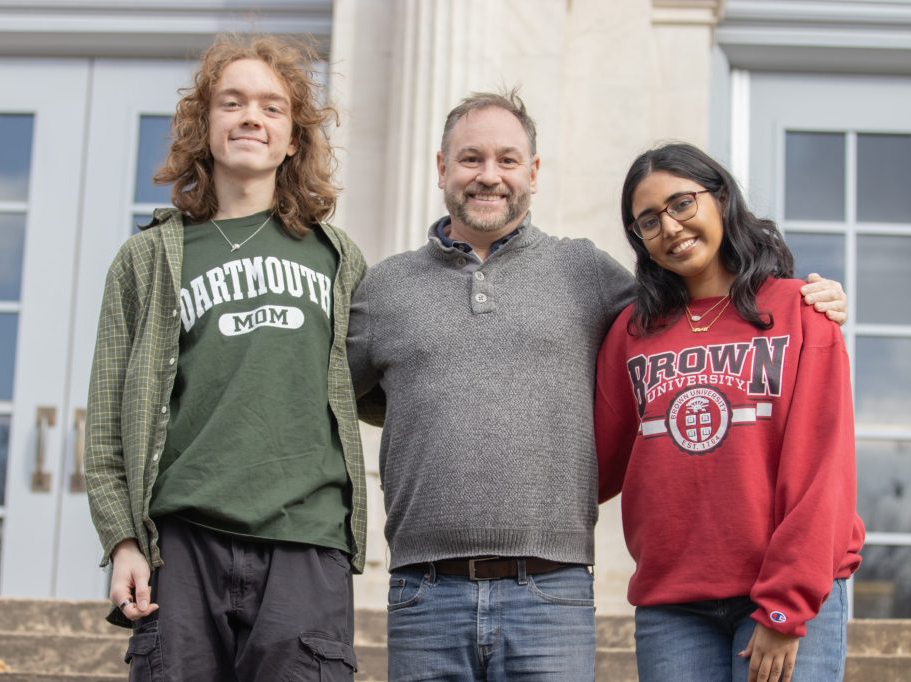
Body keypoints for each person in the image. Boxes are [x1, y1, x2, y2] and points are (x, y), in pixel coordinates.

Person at [346, 92, 848, 681]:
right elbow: (341, 393)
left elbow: (818, 458)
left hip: (567, 593)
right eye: (470, 159)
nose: (489, 175)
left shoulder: (591, 275)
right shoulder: (387, 290)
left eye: (508, 160)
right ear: (441, 168)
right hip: (446, 590)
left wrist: (816, 297)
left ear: (533, 173)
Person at [84, 35, 367, 681]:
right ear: (202, 126)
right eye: (231, 102)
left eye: (272, 108)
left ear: (294, 137)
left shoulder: (338, 258)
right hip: (181, 543)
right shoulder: (148, 259)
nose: (250, 117)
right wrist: (122, 539)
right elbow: (105, 421)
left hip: (307, 540)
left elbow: (377, 380)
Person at [594, 142, 865, 682]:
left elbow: (823, 470)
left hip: (784, 593)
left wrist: (786, 604)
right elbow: (596, 463)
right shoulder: (632, 332)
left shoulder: (801, 312)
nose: (669, 228)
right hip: (672, 605)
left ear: (720, 199)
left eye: (682, 204)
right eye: (648, 221)